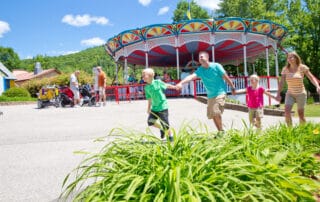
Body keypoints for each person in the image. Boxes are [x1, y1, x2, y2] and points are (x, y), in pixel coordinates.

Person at [176, 51, 236, 132]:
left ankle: (222, 130)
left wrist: (232, 87)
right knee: (212, 115)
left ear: (207, 58)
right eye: (199, 57)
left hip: (220, 92)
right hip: (210, 95)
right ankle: (220, 132)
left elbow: (225, 77)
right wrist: (181, 83)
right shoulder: (200, 70)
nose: (200, 58)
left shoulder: (216, 66)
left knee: (216, 111)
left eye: (202, 56)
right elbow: (191, 77)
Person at [276, 51, 320, 126]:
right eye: (288, 58)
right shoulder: (285, 69)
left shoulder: (302, 67)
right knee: (287, 113)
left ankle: (303, 130)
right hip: (290, 93)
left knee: (301, 115)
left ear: (296, 58)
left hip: (301, 94)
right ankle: (290, 132)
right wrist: (278, 93)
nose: (289, 59)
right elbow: (282, 82)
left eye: (291, 57)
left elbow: (311, 77)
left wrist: (317, 86)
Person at [142, 68, 176, 142]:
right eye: (142, 76)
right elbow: (149, 98)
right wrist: (148, 108)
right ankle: (162, 129)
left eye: (144, 75)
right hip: (154, 108)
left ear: (151, 76)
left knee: (165, 124)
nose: (143, 77)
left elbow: (166, 85)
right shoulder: (146, 87)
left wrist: (175, 87)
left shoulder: (158, 82)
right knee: (150, 122)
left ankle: (171, 136)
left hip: (163, 107)